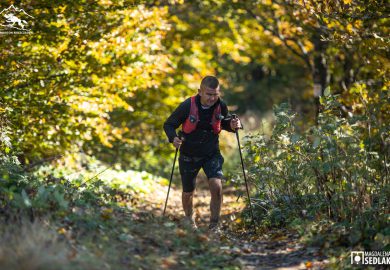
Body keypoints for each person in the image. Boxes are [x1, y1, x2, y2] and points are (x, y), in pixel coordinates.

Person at [163, 75, 242, 231]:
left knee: (216, 186)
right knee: (188, 192)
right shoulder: (187, 105)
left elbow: (226, 123)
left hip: (211, 153)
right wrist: (173, 139)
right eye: (209, 94)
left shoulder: (221, 105)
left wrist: (235, 124)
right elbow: (169, 124)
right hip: (188, 154)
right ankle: (190, 219)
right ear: (200, 91)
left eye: (215, 94)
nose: (212, 98)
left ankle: (214, 224)